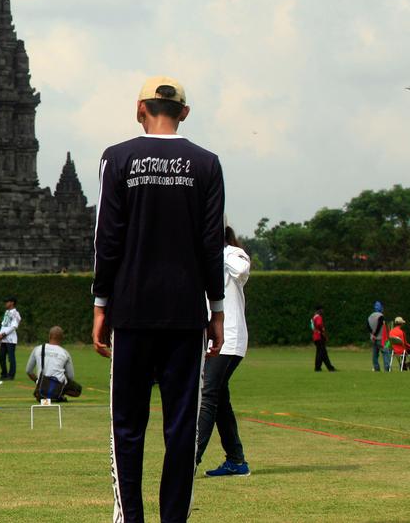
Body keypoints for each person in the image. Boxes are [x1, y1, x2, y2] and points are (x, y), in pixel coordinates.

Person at [91, 76, 225, 523]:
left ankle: (131, 518)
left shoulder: (118, 158)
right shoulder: (206, 163)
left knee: (127, 426)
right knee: (181, 428)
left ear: (139, 109)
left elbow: (107, 238)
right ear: (184, 112)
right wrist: (217, 310)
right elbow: (212, 244)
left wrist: (100, 304)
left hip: (130, 309)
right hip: (187, 314)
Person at [198, 226, 251, 477]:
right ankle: (236, 461)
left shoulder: (233, 254)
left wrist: (217, 250)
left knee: (207, 395)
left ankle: (190, 459)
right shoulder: (203, 259)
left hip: (230, 338)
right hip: (212, 340)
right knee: (220, 401)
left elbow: (240, 270)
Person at [25, 326, 82, 402]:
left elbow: (28, 371)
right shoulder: (65, 353)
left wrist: (37, 382)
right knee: (78, 389)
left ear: (49, 336)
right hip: (58, 386)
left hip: (42, 386)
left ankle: (43, 392)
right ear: (62, 338)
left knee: (43, 381)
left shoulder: (38, 349)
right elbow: (70, 377)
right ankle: (58, 394)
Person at [0, 297, 21, 383]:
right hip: (3, 339)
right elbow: (3, 325)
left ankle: (11, 376)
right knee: (1, 357)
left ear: (12, 303)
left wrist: (3, 334)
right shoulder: (7, 312)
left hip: (11, 339)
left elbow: (14, 326)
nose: (5, 304)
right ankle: (3, 374)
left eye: (7, 302)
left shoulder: (15, 313)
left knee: (11, 358)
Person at [368, 301, 390, 372]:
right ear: (380, 308)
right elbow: (380, 325)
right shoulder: (381, 316)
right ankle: (387, 369)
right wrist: (375, 334)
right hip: (381, 338)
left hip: (373, 339)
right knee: (385, 352)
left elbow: (368, 326)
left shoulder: (370, 316)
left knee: (375, 354)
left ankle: (376, 368)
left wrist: (372, 334)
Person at [312, 305, 335, 372]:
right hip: (319, 336)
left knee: (322, 353)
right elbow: (319, 325)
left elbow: (312, 326)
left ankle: (330, 368)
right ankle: (317, 368)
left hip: (315, 336)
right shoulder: (319, 317)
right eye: (322, 310)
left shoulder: (313, 317)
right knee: (321, 353)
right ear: (319, 310)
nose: (323, 311)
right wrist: (323, 333)